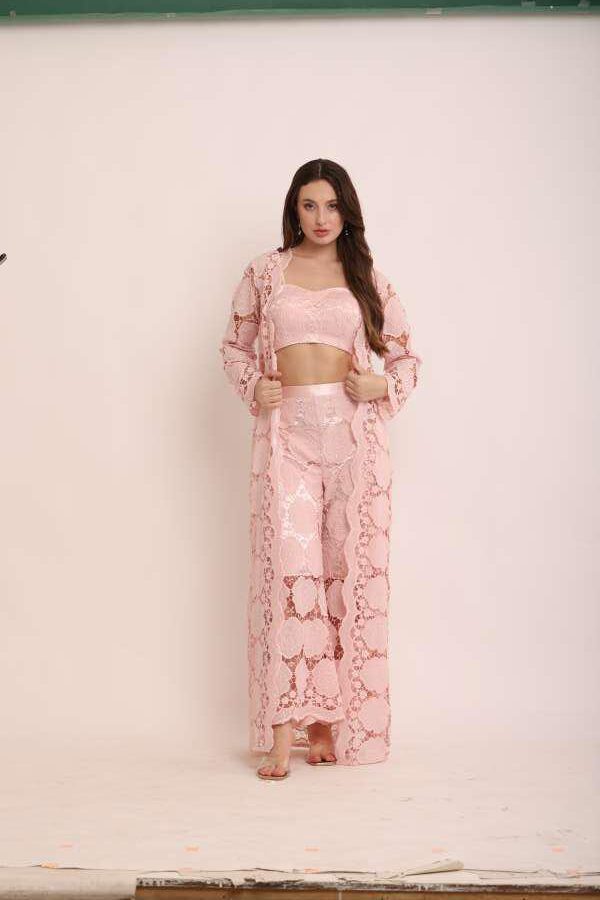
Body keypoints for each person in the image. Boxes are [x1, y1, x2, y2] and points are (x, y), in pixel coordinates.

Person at [219, 158, 422, 781]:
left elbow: (407, 359)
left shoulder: (367, 278)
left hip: (352, 437)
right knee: (292, 574)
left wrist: (379, 384)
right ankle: (283, 732)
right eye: (309, 205)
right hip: (288, 437)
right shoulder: (265, 272)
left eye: (331, 205)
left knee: (342, 573)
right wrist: (254, 386)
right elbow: (233, 346)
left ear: (346, 211)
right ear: (294, 210)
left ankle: (329, 726)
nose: (321, 217)